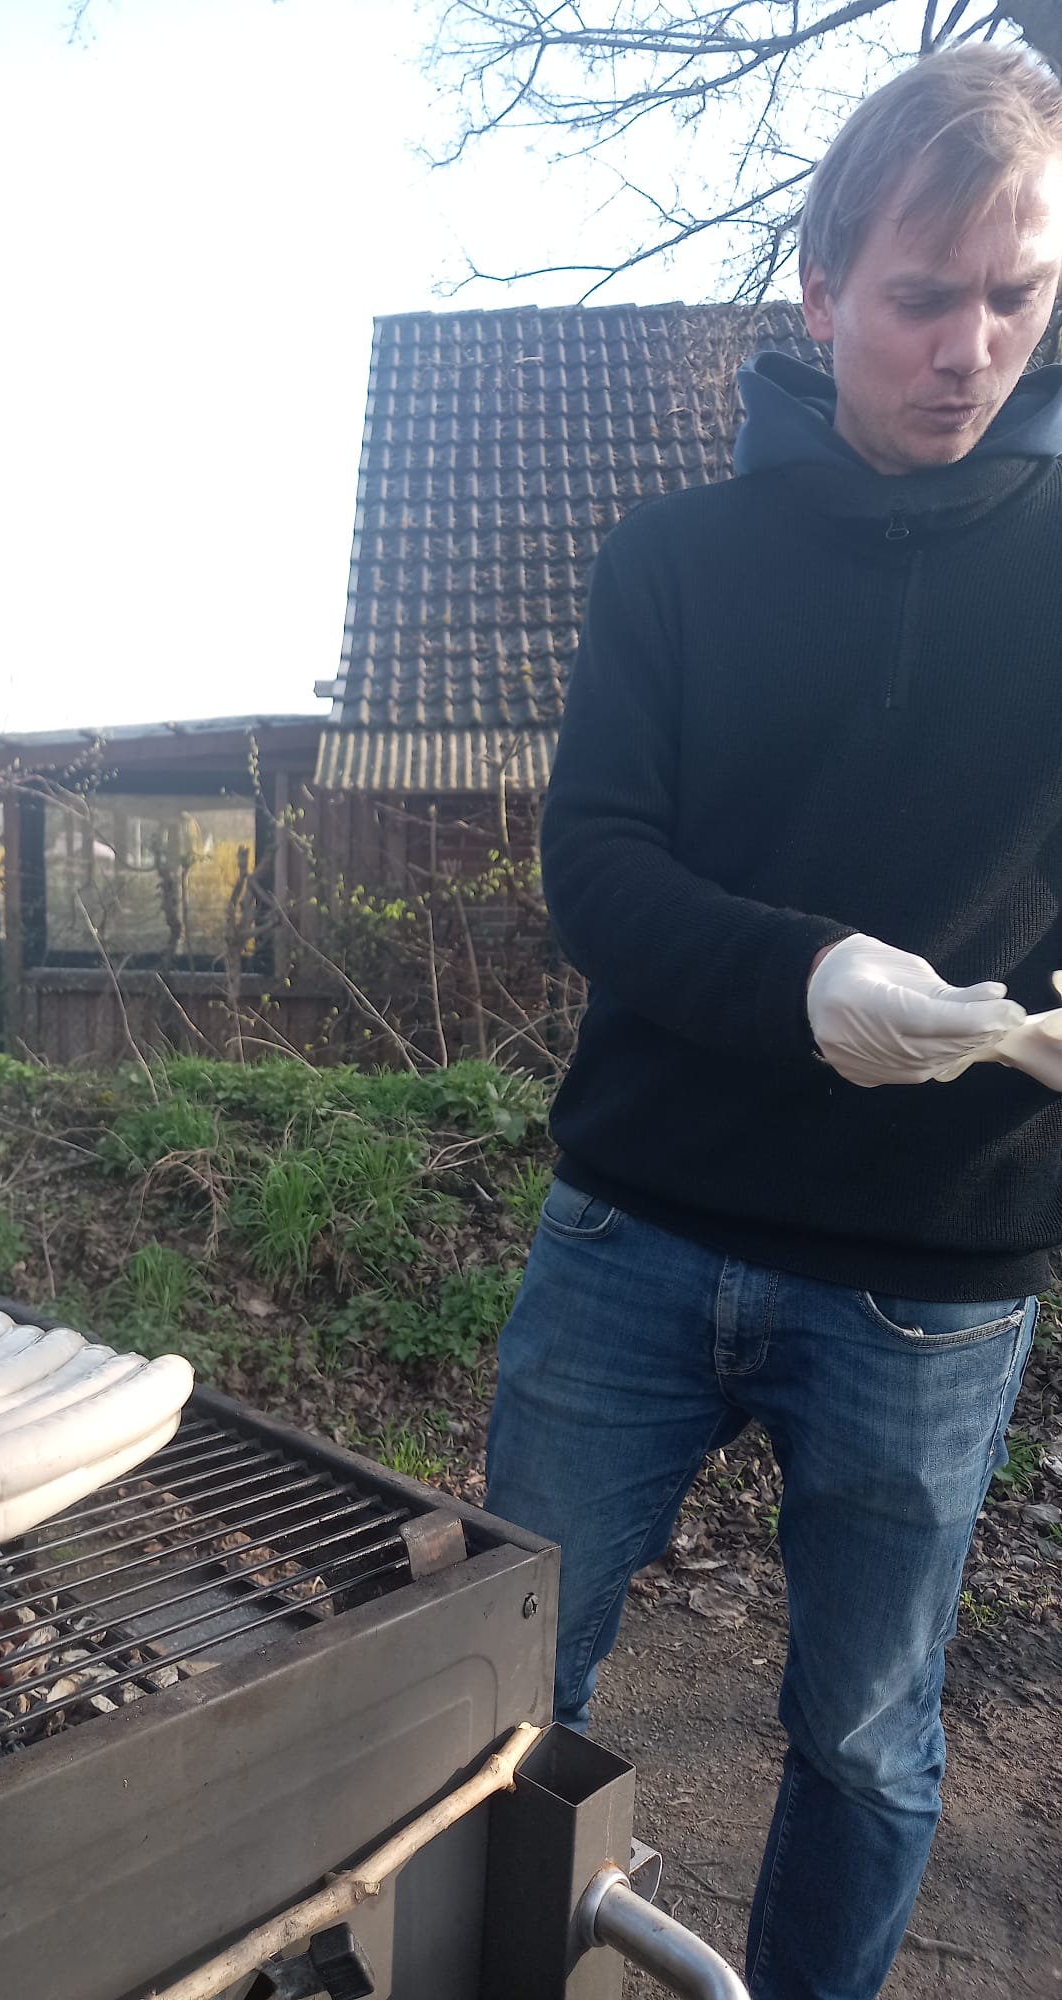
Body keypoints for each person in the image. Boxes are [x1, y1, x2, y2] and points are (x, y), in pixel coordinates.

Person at [484, 44, 1062, 2000]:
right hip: (637, 1224)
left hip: (935, 1271)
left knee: (868, 1740)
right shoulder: (672, 562)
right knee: (492, 1685)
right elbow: (596, 868)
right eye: (921, 297)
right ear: (821, 294)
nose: (968, 350)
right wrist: (807, 980)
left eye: (1016, 296)